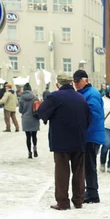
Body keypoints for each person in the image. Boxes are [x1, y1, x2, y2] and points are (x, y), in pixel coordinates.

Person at [37, 73, 90, 210]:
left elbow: (41, 112)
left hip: (60, 141)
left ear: (57, 84)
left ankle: (63, 202)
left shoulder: (54, 97)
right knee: (79, 171)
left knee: (62, 172)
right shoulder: (81, 98)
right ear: (72, 83)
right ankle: (78, 201)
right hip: (79, 140)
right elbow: (87, 118)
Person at [73, 70, 105, 204]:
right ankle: (91, 191)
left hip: (90, 136)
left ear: (85, 80)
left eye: (78, 82)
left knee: (89, 165)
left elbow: (94, 116)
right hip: (90, 134)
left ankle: (93, 193)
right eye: (74, 82)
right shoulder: (85, 93)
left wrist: (84, 132)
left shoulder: (91, 94)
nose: (76, 85)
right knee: (88, 165)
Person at [18, 83, 40, 159]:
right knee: (34, 135)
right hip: (34, 118)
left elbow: (20, 110)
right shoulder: (34, 97)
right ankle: (35, 149)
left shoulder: (21, 98)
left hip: (25, 119)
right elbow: (38, 107)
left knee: (27, 137)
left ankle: (29, 152)